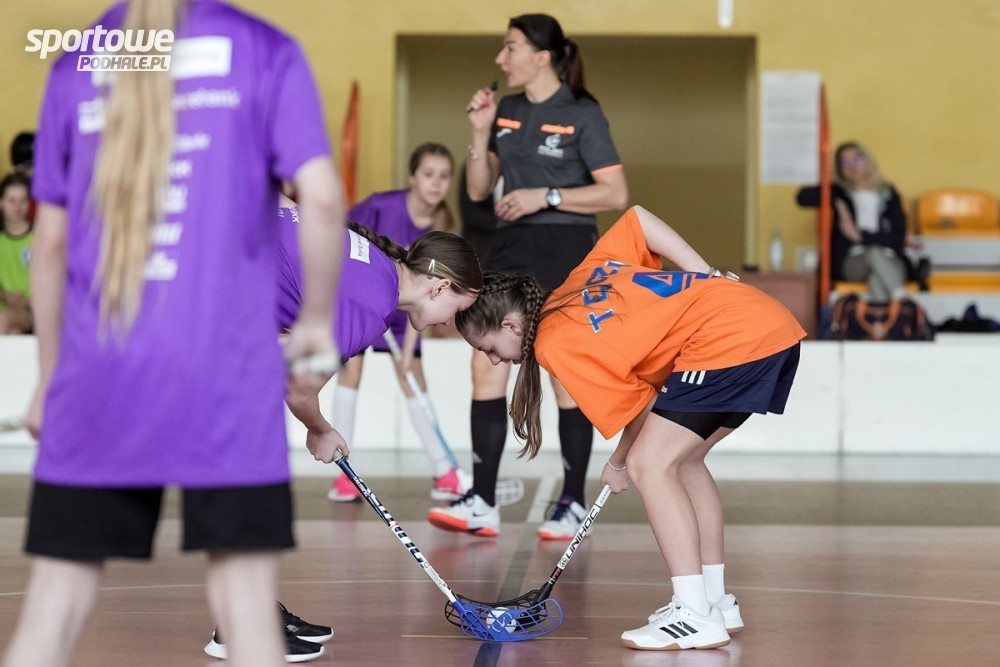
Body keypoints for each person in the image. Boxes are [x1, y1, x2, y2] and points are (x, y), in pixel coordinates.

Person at [2, 1, 346, 665]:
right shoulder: (264, 49)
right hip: (225, 375)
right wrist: (314, 322)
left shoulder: (75, 63)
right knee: (246, 606)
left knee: (53, 607)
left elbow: (49, 243)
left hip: (99, 374)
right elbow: (324, 200)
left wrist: (48, 378)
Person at [454, 205, 805, 650]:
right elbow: (639, 219)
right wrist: (708, 275)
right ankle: (715, 602)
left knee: (650, 465)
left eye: (488, 347)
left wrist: (620, 464)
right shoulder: (581, 277)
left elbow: (640, 412)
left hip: (728, 339)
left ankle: (693, 613)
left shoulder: (555, 343)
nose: (493, 360)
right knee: (684, 462)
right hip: (767, 324)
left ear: (510, 324)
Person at [428, 13, 628, 540]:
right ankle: (482, 501)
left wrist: (548, 196)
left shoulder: (583, 112)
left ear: (542, 56)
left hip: (566, 248)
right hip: (508, 247)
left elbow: (615, 193)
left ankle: (572, 503)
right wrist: (479, 132)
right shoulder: (509, 110)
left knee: (563, 372)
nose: (501, 58)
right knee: (485, 363)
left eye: (511, 47)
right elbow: (478, 189)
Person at [275, 204, 483, 469]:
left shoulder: (373, 256)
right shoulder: (375, 305)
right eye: (458, 309)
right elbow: (298, 388)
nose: (448, 321)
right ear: (440, 288)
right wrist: (321, 430)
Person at [327, 143, 475, 504]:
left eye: (444, 176)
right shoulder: (380, 206)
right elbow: (342, 236)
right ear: (412, 177)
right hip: (363, 299)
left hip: (410, 310)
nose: (436, 184)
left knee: (413, 377)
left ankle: (445, 472)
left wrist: (409, 350)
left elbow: (430, 296)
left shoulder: (443, 225)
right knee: (350, 371)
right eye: (428, 174)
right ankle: (344, 474)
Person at [796, 141, 926, 300]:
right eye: (846, 163)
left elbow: (897, 238)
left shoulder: (889, 194)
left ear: (867, 160)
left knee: (877, 279)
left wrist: (860, 236)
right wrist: (837, 200)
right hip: (853, 262)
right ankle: (904, 300)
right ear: (840, 169)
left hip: (891, 259)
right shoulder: (839, 192)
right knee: (874, 254)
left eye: (857, 159)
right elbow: (802, 198)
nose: (853, 166)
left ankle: (881, 316)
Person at [0, 172, 33, 333]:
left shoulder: (40, 239)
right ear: (1, 203)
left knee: (3, 319)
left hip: (33, 310)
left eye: (23, 200)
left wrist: (27, 302)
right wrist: (6, 296)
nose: (18, 207)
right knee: (14, 332)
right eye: (12, 200)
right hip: (5, 308)